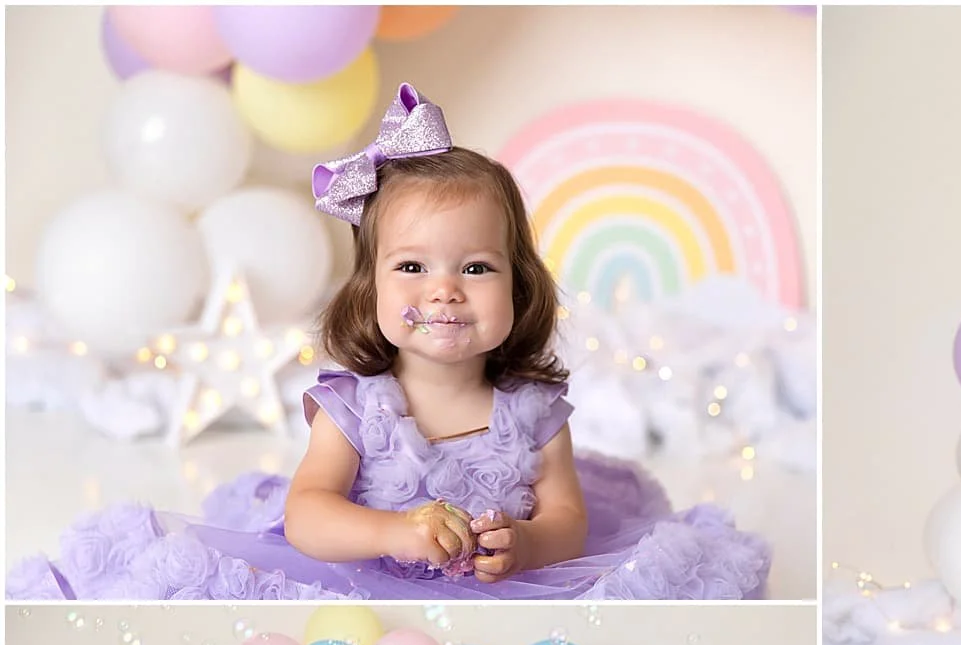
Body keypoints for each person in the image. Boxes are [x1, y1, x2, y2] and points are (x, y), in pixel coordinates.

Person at [8, 85, 769, 601]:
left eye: (477, 267)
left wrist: (531, 547)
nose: (444, 290)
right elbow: (308, 514)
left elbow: (569, 516)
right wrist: (395, 531)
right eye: (411, 267)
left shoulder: (538, 413)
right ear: (369, 289)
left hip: (507, 594)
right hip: (363, 581)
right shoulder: (357, 408)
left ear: (521, 286)